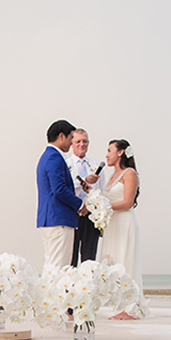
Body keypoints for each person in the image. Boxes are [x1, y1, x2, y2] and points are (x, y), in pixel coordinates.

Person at [97, 138, 143, 319]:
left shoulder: (129, 173)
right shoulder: (111, 177)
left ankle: (130, 308)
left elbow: (128, 202)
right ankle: (119, 305)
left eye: (109, 150)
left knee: (126, 261)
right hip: (113, 224)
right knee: (114, 263)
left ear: (120, 152)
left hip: (124, 222)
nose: (106, 155)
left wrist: (104, 207)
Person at [36, 119, 85, 270]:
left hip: (51, 218)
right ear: (61, 136)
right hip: (58, 219)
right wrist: (80, 204)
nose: (71, 144)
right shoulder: (54, 157)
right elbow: (59, 189)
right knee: (59, 267)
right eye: (71, 139)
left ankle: (48, 293)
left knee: (52, 265)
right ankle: (52, 294)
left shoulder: (47, 156)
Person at [66, 128, 105, 266]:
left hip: (90, 217)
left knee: (89, 259)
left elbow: (102, 193)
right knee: (70, 258)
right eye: (78, 141)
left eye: (85, 141)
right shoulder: (66, 165)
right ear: (72, 144)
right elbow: (64, 189)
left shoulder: (95, 166)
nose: (82, 144)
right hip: (72, 215)